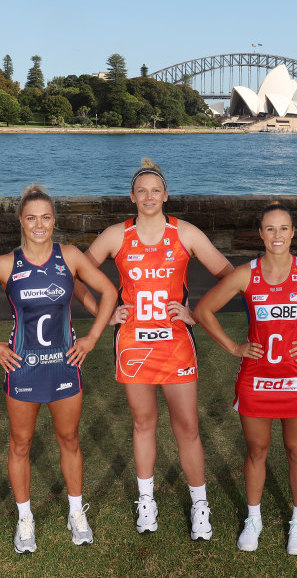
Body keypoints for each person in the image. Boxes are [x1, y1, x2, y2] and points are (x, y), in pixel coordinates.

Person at [75, 158, 233, 541]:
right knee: (143, 423)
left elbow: (231, 275)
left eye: (155, 191)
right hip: (132, 343)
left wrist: (196, 312)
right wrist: (104, 313)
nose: (148, 197)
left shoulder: (185, 233)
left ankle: (200, 505)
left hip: (176, 344)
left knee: (187, 427)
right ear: (132, 196)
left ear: (166, 195)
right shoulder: (116, 235)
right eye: (141, 191)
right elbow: (76, 274)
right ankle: (146, 501)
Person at [194, 202, 297, 555]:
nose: (277, 235)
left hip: (296, 378)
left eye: (284, 228)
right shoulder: (245, 274)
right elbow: (203, 310)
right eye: (270, 228)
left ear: (293, 232)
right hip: (256, 378)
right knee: (257, 451)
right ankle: (254, 519)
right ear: (260, 234)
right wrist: (234, 348)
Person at [0, 186, 116, 554]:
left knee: (70, 440)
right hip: (23, 368)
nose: (38, 224)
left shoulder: (70, 257)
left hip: (65, 365)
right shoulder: (5, 264)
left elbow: (109, 292)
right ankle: (25, 518)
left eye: (45, 217)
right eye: (31, 217)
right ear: (20, 220)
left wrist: (93, 337)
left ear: (54, 220)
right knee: (20, 444)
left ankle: (76, 513)